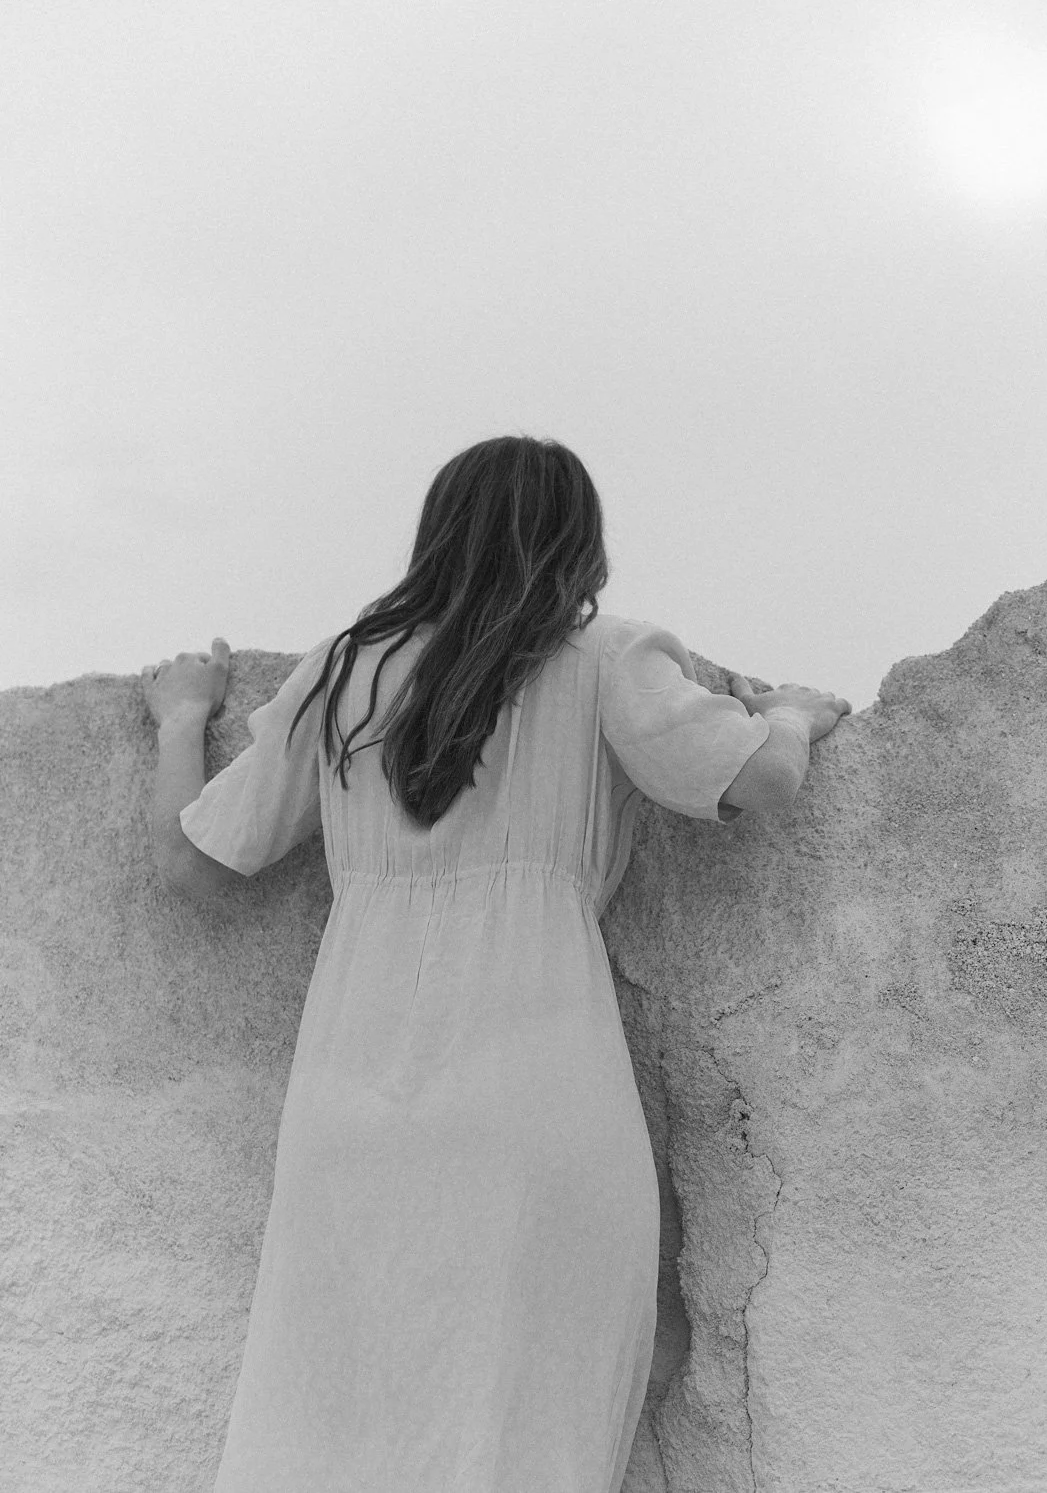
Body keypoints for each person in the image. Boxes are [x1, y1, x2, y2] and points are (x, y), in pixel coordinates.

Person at [142, 434, 851, 1493]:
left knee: (336, 1421)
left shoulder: (342, 672)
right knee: (531, 1426)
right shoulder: (611, 657)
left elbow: (191, 864)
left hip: (355, 1094)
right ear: (581, 544)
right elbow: (760, 781)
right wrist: (791, 712)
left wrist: (181, 719)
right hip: (539, 1085)